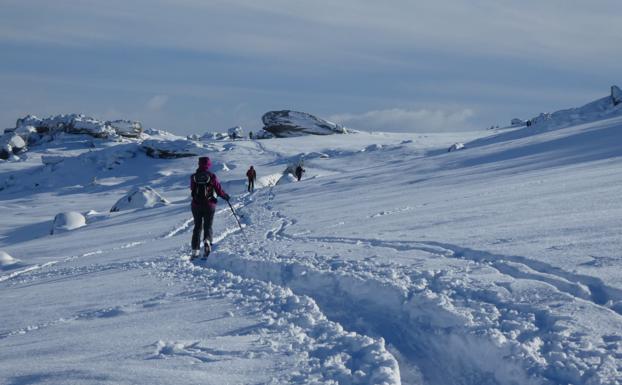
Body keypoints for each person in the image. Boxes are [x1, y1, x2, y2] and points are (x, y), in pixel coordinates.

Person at [190, 156, 230, 260]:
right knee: (208, 226)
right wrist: (225, 196)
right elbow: (218, 189)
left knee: (197, 227)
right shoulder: (211, 176)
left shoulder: (194, 176)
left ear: (199, 164)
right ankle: (207, 241)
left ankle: (195, 251)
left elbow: (192, 189)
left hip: (196, 205)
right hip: (209, 205)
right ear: (208, 165)